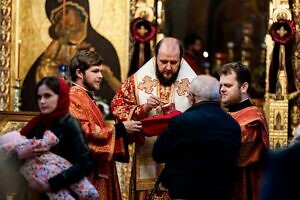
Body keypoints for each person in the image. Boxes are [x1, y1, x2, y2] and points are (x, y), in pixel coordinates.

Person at [110, 37, 197, 199]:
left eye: (174, 62)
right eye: (163, 62)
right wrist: (144, 108)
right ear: (155, 57)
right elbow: (118, 106)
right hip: (146, 159)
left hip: (181, 164)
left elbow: (204, 116)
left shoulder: (194, 84)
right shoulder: (137, 82)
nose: (168, 68)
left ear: (181, 59)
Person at [21, 0, 121, 115]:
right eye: (58, 19)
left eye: (66, 12)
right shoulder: (52, 52)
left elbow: (113, 93)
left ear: (81, 11)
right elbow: (30, 92)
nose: (62, 20)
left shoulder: (103, 48)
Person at [68, 49, 142, 200]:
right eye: (95, 71)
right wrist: (120, 129)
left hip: (98, 173)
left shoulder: (86, 97)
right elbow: (83, 133)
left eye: (101, 71)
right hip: (88, 176)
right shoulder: (72, 97)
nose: (101, 76)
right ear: (80, 73)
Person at [152, 75, 241, 199]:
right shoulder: (233, 124)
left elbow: (159, 154)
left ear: (192, 98)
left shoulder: (182, 122)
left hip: (186, 192)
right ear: (219, 97)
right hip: (221, 194)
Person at [6, 76, 95, 200]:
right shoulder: (35, 124)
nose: (42, 101)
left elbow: (85, 163)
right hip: (30, 193)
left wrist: (51, 184)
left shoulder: (70, 124)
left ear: (61, 96)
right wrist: (21, 154)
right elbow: (7, 162)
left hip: (61, 192)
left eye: (47, 96)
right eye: (39, 97)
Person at [219, 62, 269, 200]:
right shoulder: (226, 115)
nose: (222, 89)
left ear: (244, 87)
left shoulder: (252, 118)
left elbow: (236, 155)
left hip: (244, 190)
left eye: (228, 85)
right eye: (221, 85)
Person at [0, 130, 98, 200]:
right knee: (79, 184)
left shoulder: (20, 164)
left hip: (45, 177)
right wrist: (49, 136)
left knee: (60, 194)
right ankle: (90, 193)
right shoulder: (29, 143)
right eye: (21, 136)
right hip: (56, 168)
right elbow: (51, 140)